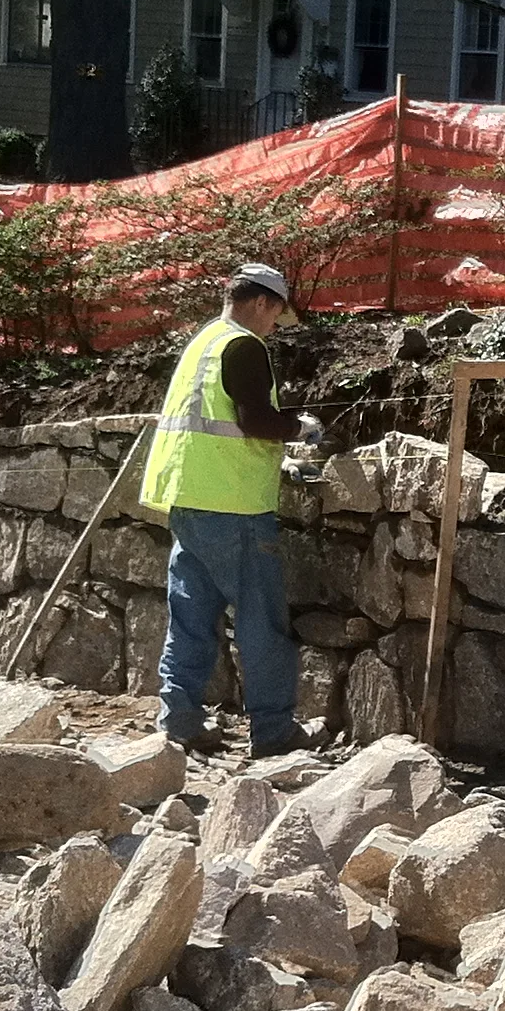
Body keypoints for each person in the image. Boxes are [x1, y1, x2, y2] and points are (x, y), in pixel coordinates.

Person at [140, 264, 306, 757]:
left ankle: (180, 721)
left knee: (190, 618)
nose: (275, 327)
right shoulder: (244, 345)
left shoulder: (203, 342)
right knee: (261, 622)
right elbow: (253, 419)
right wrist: (300, 430)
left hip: (189, 497)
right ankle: (274, 731)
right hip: (234, 505)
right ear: (262, 303)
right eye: (277, 316)